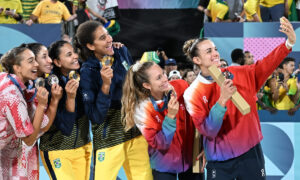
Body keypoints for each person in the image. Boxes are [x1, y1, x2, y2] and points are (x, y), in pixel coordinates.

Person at [182, 16, 295, 180]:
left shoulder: (239, 73)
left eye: (215, 49)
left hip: (251, 154)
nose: (215, 54)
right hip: (220, 161)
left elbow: (266, 64)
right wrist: (222, 101)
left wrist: (288, 44)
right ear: (196, 60)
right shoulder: (192, 93)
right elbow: (208, 130)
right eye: (208, 51)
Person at [74, 20, 152, 180]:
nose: (109, 39)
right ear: (90, 46)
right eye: (102, 38)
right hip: (109, 136)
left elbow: (134, 84)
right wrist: (105, 86)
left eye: (108, 34)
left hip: (134, 131)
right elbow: (95, 116)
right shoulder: (88, 72)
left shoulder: (121, 50)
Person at [121, 61, 204, 180]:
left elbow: (198, 116)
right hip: (164, 165)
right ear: (147, 85)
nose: (165, 79)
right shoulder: (142, 109)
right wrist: (170, 117)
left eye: (163, 74)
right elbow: (160, 143)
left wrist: (204, 146)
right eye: (159, 78)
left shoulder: (180, 85)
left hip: (192, 159)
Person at [39, 40, 92, 180]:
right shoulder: (50, 85)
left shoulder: (84, 74)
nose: (75, 56)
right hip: (57, 150)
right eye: (69, 54)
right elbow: (65, 126)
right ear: (57, 62)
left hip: (83, 147)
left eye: (74, 52)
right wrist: (70, 98)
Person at [0, 46, 49, 179]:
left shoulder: (4, 77)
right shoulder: (14, 98)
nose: (36, 64)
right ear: (17, 67)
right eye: (30, 61)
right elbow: (28, 140)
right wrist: (42, 105)